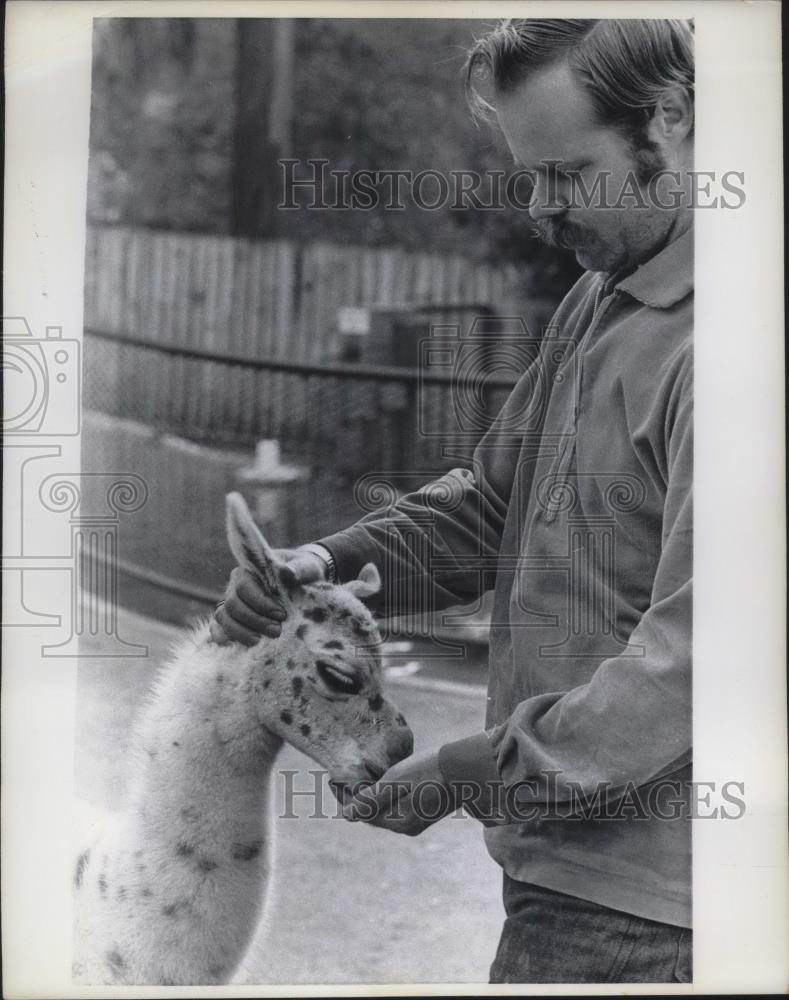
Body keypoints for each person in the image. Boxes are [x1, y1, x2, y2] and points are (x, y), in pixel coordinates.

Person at [211, 18, 695, 985]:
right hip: (564, 881)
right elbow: (488, 508)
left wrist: (469, 772)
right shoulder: (603, 293)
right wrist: (323, 572)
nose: (538, 210)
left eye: (566, 173)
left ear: (670, 121)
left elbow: (693, 669)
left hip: (648, 914)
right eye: (528, 174)